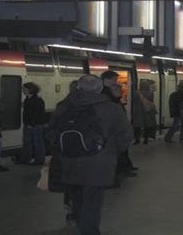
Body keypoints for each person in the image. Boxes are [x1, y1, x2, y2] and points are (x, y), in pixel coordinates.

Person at [49, 75, 133, 235]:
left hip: (68, 162)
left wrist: (64, 150)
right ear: (100, 89)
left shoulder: (63, 106)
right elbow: (126, 136)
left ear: (78, 87)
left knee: (77, 199)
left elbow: (51, 133)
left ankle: (82, 226)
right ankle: (89, 231)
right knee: (92, 202)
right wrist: (112, 153)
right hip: (98, 164)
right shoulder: (111, 108)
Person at [20, 82, 46, 165]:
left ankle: (38, 160)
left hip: (34, 124)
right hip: (30, 124)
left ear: (29, 89)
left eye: (24, 89)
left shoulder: (36, 100)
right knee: (29, 142)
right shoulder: (32, 99)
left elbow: (37, 113)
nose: (23, 90)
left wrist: (31, 123)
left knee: (36, 142)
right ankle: (27, 158)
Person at [133, 80, 157, 145]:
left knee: (137, 126)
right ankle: (145, 139)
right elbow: (151, 101)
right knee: (147, 126)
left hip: (138, 111)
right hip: (147, 111)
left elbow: (133, 101)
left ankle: (137, 139)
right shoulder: (150, 93)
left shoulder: (136, 92)